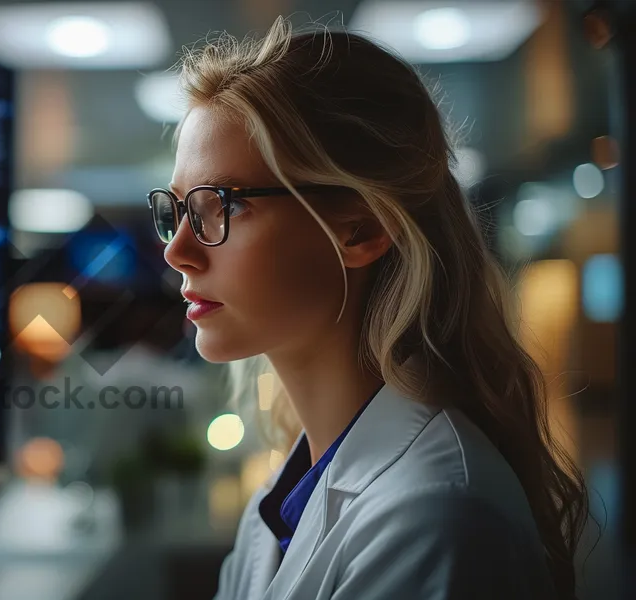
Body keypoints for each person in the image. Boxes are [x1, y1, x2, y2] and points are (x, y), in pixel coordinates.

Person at [150, 18, 588, 600]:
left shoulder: (434, 515)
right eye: (177, 208)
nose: (177, 251)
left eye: (220, 204)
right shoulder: (286, 497)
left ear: (360, 228)